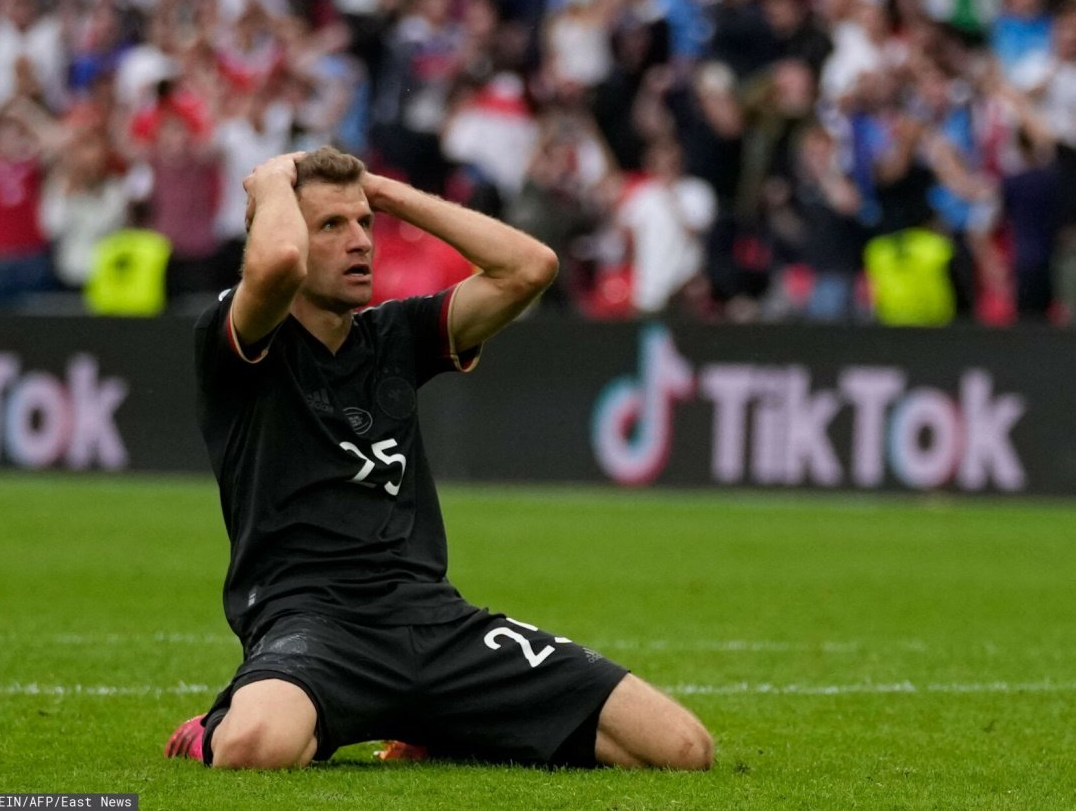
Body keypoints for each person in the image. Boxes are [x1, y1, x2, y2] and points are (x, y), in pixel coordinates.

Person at [163, 146, 713, 771]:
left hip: (432, 621)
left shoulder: (396, 335)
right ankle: (210, 729)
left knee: (681, 750)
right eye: (332, 226)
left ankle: (440, 726)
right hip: (312, 624)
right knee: (253, 748)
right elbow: (279, 262)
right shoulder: (237, 340)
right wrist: (268, 186)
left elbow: (530, 268)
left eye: (365, 224)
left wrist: (388, 193)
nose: (361, 242)